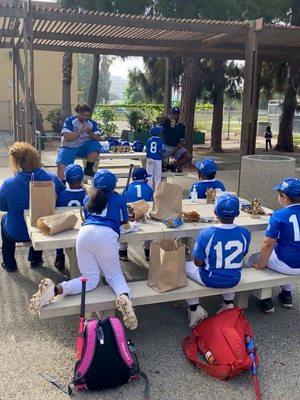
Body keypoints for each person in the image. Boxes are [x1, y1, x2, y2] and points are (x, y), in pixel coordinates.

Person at [29, 170, 138, 330]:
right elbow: (124, 223)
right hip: (106, 235)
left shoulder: (88, 198)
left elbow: (87, 217)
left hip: (84, 235)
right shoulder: (118, 198)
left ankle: (55, 290)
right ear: (113, 185)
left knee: (89, 279)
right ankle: (123, 296)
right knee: (114, 276)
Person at [185, 193, 251, 328]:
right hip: (234, 278)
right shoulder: (244, 233)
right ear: (238, 213)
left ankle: (194, 308)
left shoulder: (206, 233)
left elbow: (198, 262)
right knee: (228, 267)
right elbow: (242, 255)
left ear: (215, 212)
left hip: (210, 279)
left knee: (182, 266)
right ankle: (228, 303)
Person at [0, 142, 65, 272]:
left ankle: (9, 263)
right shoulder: (52, 178)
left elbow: (3, 207)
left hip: (18, 231)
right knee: (38, 216)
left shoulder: (8, 184)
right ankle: (35, 258)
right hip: (44, 229)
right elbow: (62, 201)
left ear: (16, 162)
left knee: (4, 220)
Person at [250, 178, 300, 313]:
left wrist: (261, 264)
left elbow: (268, 244)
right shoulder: (279, 214)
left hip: (286, 263)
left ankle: (265, 299)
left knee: (255, 258)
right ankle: (287, 294)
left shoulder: (279, 215)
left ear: (284, 197)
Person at [56, 103, 102, 181]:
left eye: (88, 116)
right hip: (69, 146)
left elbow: (98, 138)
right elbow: (67, 137)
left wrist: (90, 133)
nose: (86, 118)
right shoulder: (70, 120)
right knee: (61, 165)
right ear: (78, 113)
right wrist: (80, 132)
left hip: (84, 146)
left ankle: (88, 169)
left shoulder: (91, 123)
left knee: (95, 145)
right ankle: (62, 185)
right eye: (84, 115)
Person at [55, 164, 86, 271]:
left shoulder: (62, 194)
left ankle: (59, 257)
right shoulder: (86, 195)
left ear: (66, 180)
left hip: (65, 227)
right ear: (82, 179)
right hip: (82, 228)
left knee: (58, 232)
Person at [120, 167, 153, 261]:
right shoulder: (149, 188)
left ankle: (123, 251)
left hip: (130, 216)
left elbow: (123, 201)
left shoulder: (128, 187)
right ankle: (147, 250)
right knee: (150, 230)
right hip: (144, 216)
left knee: (123, 227)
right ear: (145, 178)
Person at [163, 107, 192, 172]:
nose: (174, 116)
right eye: (173, 114)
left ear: (178, 115)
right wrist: (167, 117)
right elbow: (157, 119)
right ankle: (163, 166)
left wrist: (175, 149)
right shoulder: (166, 122)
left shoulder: (181, 126)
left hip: (176, 147)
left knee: (188, 156)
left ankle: (173, 165)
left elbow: (182, 141)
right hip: (166, 146)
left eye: (176, 114)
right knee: (159, 156)